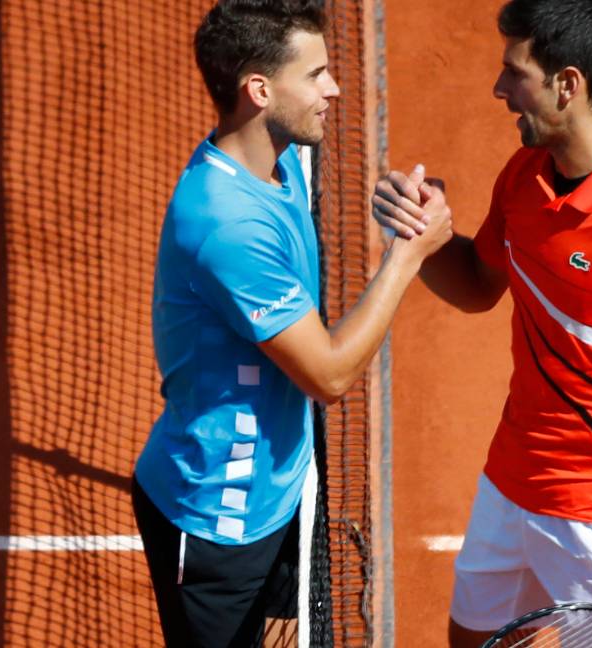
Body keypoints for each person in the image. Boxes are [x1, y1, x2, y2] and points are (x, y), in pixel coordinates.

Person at [372, 1, 592, 646]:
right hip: (511, 481)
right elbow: (479, 287)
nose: (500, 89)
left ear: (567, 84)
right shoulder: (524, 176)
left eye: (516, 74)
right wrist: (424, 237)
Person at [132, 1, 452, 645]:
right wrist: (408, 255)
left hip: (278, 487)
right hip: (222, 514)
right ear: (259, 90)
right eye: (315, 74)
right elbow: (330, 375)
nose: (332, 88)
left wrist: (395, 207)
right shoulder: (228, 221)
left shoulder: (278, 166)